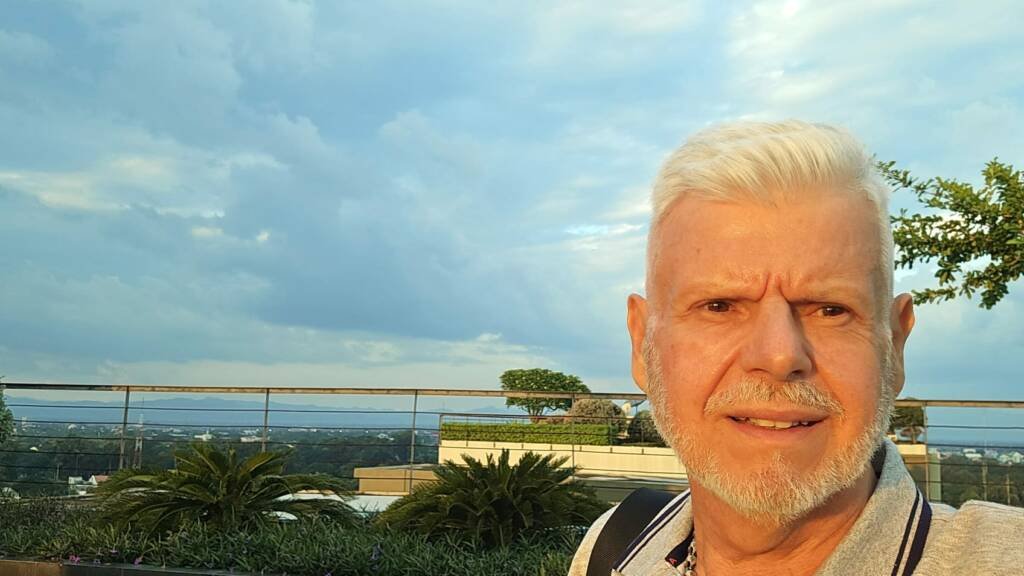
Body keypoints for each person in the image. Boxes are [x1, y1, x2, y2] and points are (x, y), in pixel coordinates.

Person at [568, 121, 1024, 575]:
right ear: (643, 343)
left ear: (894, 346)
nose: (779, 356)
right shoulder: (614, 548)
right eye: (719, 306)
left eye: (830, 310)